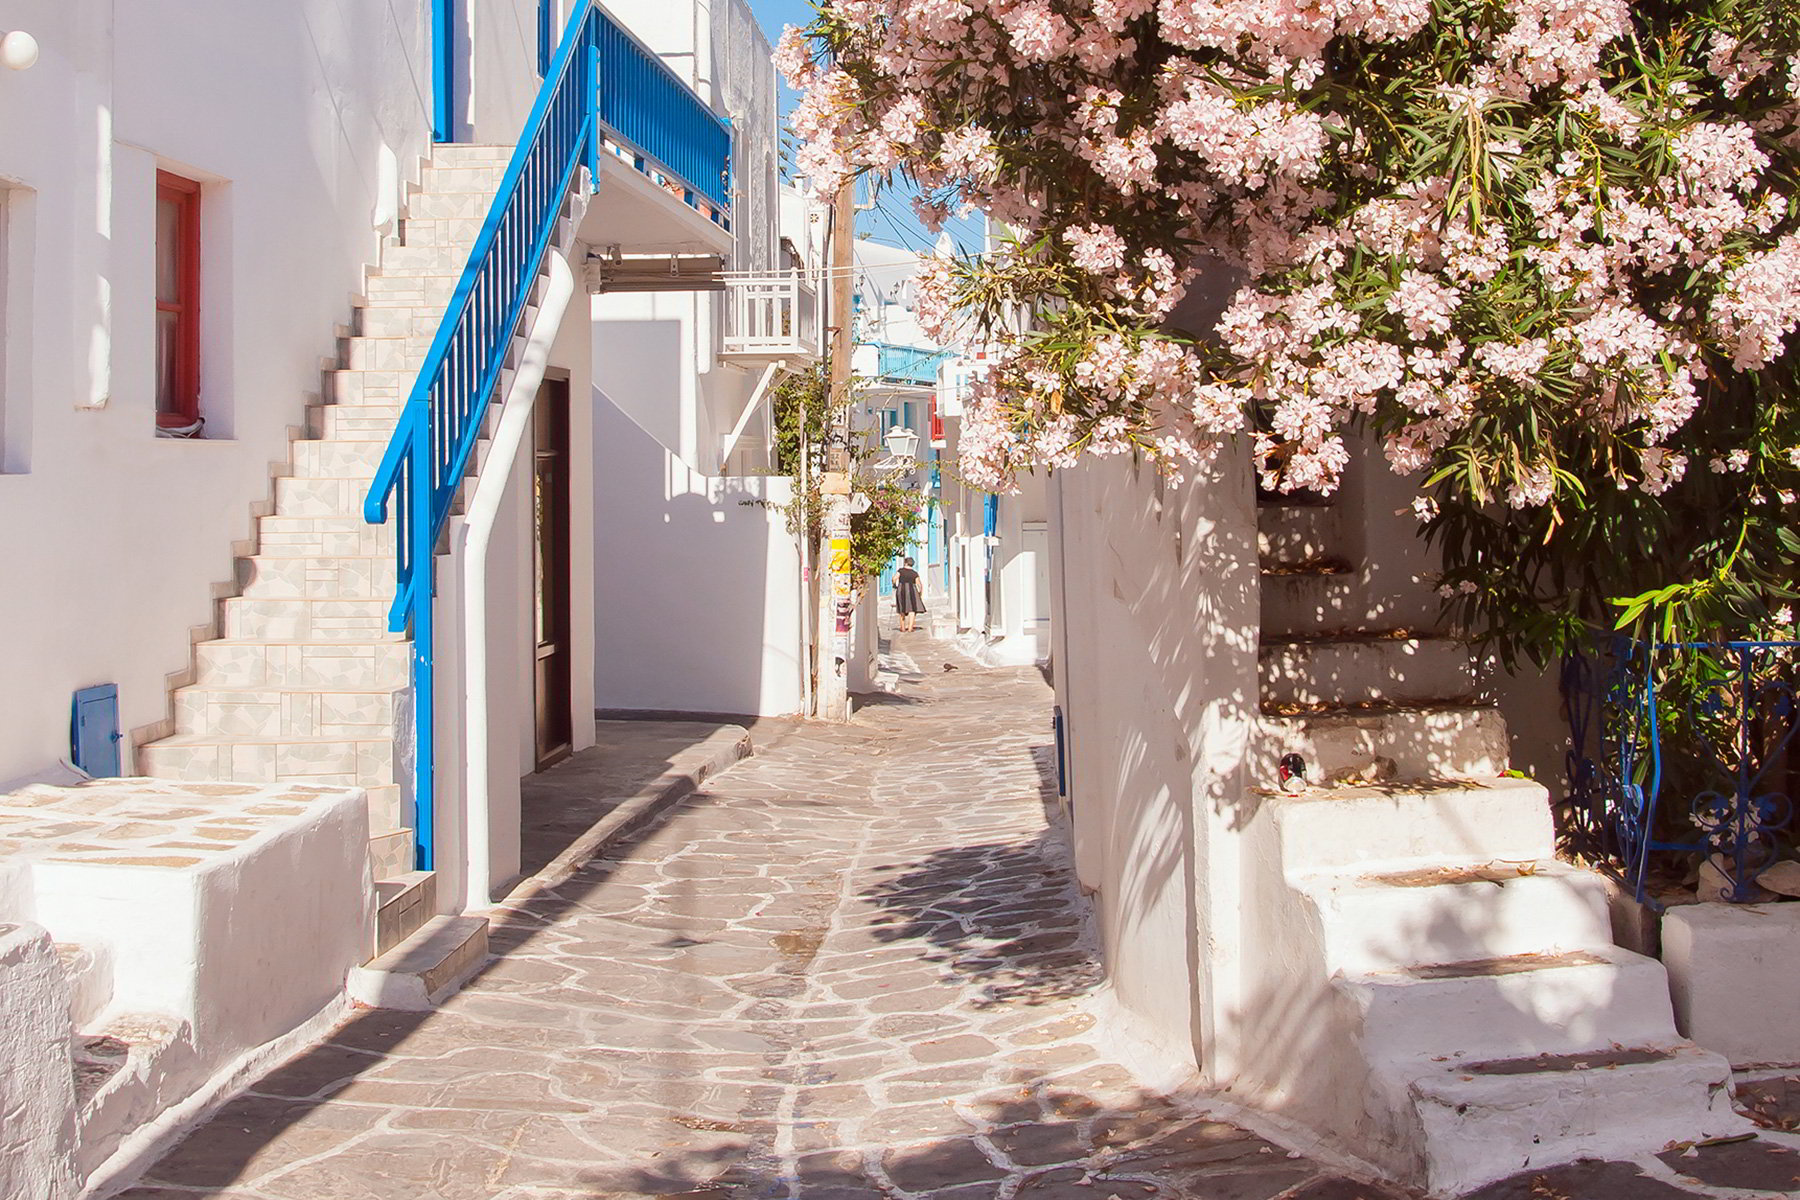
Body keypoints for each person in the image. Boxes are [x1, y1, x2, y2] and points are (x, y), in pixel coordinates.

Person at [894, 557, 926, 632]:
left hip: (901, 590)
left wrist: (894, 585)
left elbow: (894, 578)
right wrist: (920, 594)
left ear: (905, 563)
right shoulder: (914, 573)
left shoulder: (900, 571)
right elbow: (919, 585)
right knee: (912, 609)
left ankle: (902, 628)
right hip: (912, 591)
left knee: (902, 609)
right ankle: (910, 628)